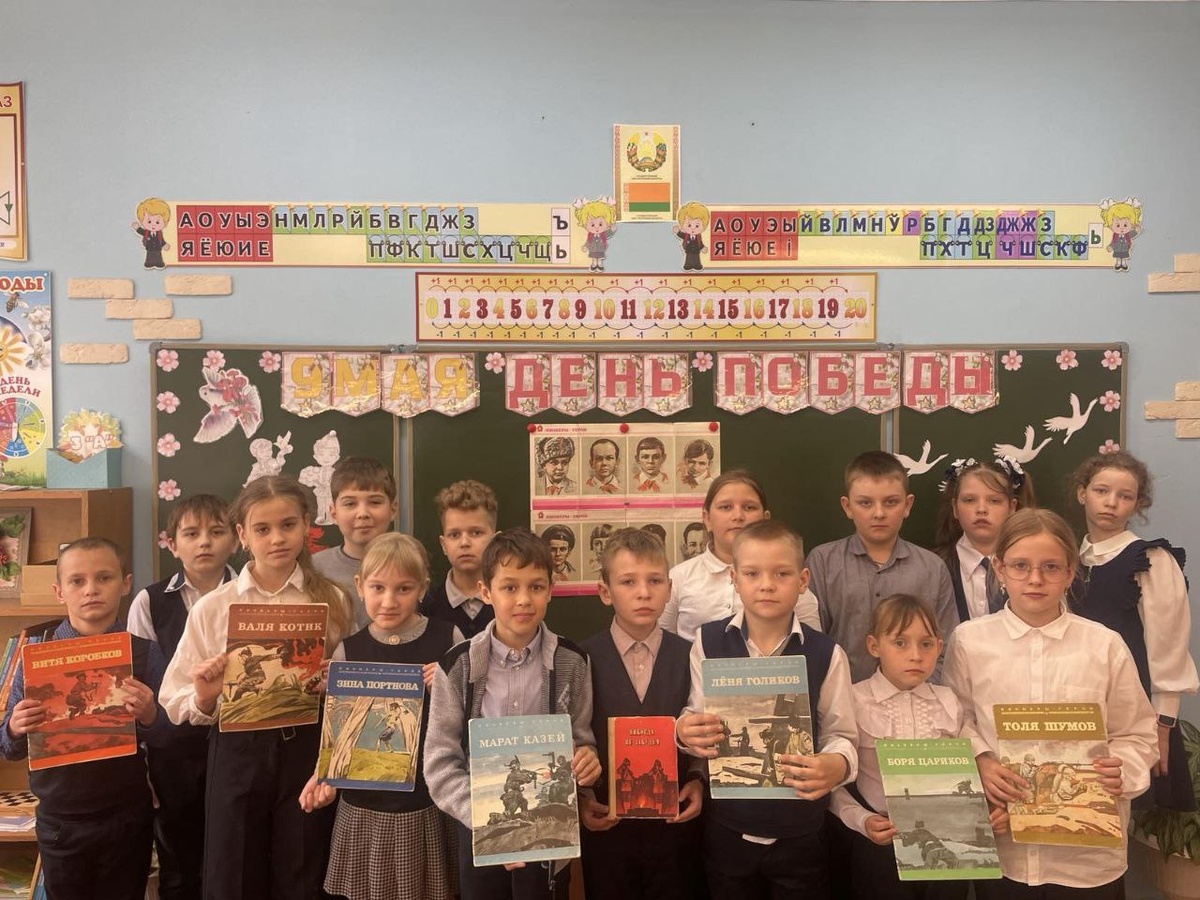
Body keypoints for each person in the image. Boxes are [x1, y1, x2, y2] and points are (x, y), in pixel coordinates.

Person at [943, 509, 1158, 898]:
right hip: (1004, 848)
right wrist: (980, 759)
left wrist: (1122, 769)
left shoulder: (1104, 646)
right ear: (999, 568)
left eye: (1051, 567)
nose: (1035, 579)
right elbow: (956, 720)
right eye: (1020, 566)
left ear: (1071, 572)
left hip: (1087, 859)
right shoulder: (969, 642)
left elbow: (1138, 734)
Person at [160, 475, 355, 900]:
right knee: (234, 872)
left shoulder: (334, 601)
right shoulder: (214, 607)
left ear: (307, 526)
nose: (277, 538)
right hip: (237, 751)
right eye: (262, 529)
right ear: (242, 535)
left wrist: (334, 682)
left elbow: (353, 690)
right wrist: (204, 696)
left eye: (288, 525)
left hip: (305, 749)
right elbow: (173, 699)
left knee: (302, 870)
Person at [677, 520, 858, 899]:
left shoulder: (827, 654)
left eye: (781, 573)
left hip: (801, 832)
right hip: (728, 829)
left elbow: (841, 735)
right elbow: (695, 714)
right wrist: (684, 731)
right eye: (752, 573)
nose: (766, 584)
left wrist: (837, 765)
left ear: (803, 580)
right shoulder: (707, 642)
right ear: (734, 578)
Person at [424, 528, 601, 899]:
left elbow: (581, 741)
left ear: (551, 589)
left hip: (549, 843)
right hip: (479, 830)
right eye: (509, 587)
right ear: (485, 591)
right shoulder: (455, 667)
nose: (523, 599)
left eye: (536, 586)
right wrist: (486, 821)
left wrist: (587, 762)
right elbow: (440, 763)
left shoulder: (573, 662)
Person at [1, 537, 169, 900]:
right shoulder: (36, 656)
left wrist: (151, 715)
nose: (91, 589)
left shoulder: (145, 653)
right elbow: (8, 748)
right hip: (61, 821)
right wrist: (15, 727)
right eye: (77, 581)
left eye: (104, 578)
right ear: (59, 591)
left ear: (125, 583)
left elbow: (170, 737)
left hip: (126, 817)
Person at [300, 533, 463, 900]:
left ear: (422, 588)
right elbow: (339, 733)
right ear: (360, 587)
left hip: (425, 801)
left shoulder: (448, 638)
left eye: (403, 589)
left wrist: (448, 687)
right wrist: (325, 777)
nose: (389, 601)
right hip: (364, 806)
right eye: (378, 588)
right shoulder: (348, 650)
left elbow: (469, 717)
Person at [830, 594, 994, 900]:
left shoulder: (949, 702)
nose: (916, 655)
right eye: (900, 643)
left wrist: (986, 812)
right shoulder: (854, 700)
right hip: (881, 839)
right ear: (874, 646)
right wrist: (861, 819)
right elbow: (834, 781)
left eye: (926, 644)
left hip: (947, 841)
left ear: (939, 647)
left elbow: (970, 774)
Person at [578, 528, 705, 900]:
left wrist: (698, 779)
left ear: (669, 589)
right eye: (628, 582)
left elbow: (703, 724)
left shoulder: (691, 655)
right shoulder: (580, 658)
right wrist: (583, 797)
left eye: (654, 581)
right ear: (605, 592)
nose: (644, 592)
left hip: (675, 828)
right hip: (607, 827)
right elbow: (577, 734)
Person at [1070, 451, 1198, 810]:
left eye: (1125, 496)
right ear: (1082, 493)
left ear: (1137, 504)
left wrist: (1163, 721)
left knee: (1131, 807)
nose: (1111, 503)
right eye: (1101, 491)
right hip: (1080, 707)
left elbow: (1168, 645)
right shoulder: (1068, 561)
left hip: (1135, 711)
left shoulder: (1150, 560)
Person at [129, 494, 238, 900]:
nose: (204, 542)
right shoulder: (149, 601)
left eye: (216, 532)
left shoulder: (250, 595)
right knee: (179, 863)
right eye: (191, 534)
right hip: (173, 753)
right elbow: (139, 682)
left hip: (237, 745)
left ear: (236, 540)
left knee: (234, 858)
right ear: (172, 545)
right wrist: (145, 759)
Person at [808, 451, 959, 683]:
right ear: (847, 506)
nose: (879, 513)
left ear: (907, 505)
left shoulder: (932, 568)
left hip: (917, 699)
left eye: (890, 502)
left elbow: (945, 651)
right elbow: (812, 644)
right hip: (842, 697)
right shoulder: (823, 562)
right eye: (865, 503)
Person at [661, 470, 819, 641]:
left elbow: (810, 645)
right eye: (725, 507)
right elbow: (663, 643)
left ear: (765, 519)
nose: (738, 516)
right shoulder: (679, 578)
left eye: (749, 507)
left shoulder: (788, 582)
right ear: (707, 518)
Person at [933, 458, 1034, 623]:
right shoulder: (933, 567)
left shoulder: (1033, 566)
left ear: (1012, 507)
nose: (981, 509)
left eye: (994, 501)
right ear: (955, 508)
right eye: (969, 500)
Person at [312, 457, 399, 630]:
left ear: (393, 509)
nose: (362, 513)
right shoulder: (314, 569)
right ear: (333, 513)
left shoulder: (410, 563)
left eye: (375, 502)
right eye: (350, 503)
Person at [420, 479, 498, 639]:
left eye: (476, 533)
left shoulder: (510, 602)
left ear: (495, 541)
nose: (464, 543)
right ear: (443, 545)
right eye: (454, 535)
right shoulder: (424, 607)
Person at [575, 198, 617, 272]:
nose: (597, 227)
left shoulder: (603, 234)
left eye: (600, 224)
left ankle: (600, 265)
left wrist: (612, 229)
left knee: (600, 258)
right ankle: (594, 264)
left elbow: (609, 233)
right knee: (594, 258)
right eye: (592, 225)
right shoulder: (590, 236)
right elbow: (588, 242)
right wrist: (586, 246)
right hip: (593, 249)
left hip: (601, 249)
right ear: (585, 224)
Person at [131, 196, 171, 269]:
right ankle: (149, 263)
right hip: (149, 248)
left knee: (158, 256)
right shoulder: (146, 232)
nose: (153, 225)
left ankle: (159, 263)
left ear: (165, 222)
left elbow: (161, 240)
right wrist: (137, 227)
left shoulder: (159, 233)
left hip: (158, 248)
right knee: (150, 256)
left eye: (157, 222)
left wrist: (164, 245)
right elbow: (141, 231)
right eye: (149, 221)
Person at [674, 201, 710, 271]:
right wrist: (677, 231)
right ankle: (688, 266)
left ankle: (697, 265)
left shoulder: (698, 237)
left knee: (696, 259)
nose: (693, 228)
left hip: (696, 251)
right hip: (688, 250)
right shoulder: (686, 235)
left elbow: (700, 243)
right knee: (689, 259)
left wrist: (703, 248)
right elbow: (681, 235)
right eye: (689, 225)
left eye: (697, 226)